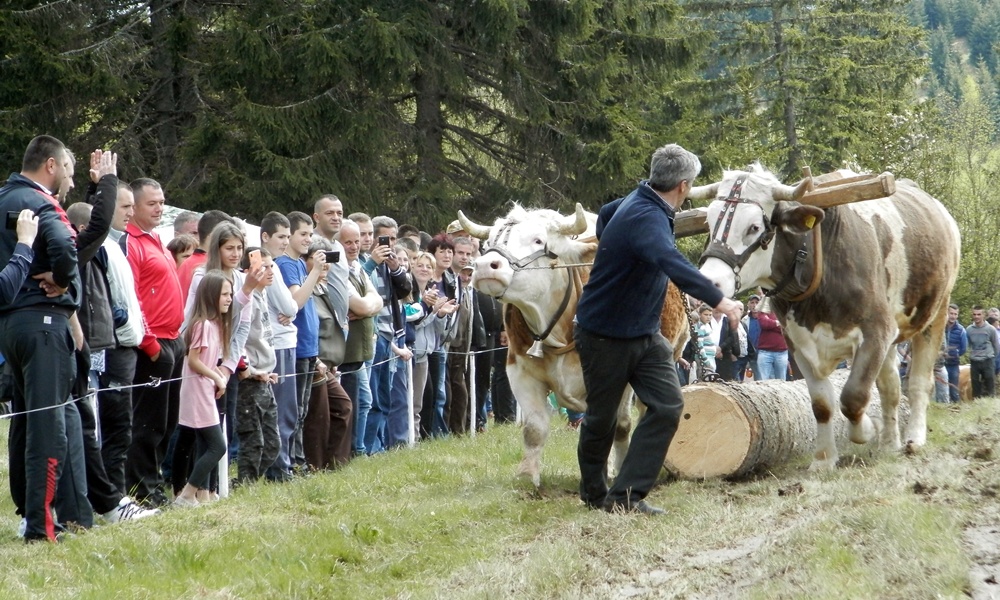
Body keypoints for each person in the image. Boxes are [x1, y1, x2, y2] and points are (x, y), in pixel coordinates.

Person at [573, 143, 739, 515]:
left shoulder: (637, 202)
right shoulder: (646, 217)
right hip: (603, 334)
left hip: (645, 334)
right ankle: (594, 493)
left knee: (667, 405)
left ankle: (627, 496)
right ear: (683, 186)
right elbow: (670, 260)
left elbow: (605, 213)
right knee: (602, 418)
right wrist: (720, 300)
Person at [0, 135, 82, 542]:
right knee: (48, 424)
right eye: (67, 168)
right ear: (50, 165)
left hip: (10, 327)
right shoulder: (39, 201)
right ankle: (41, 525)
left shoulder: (2, 197)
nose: (68, 177)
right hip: (43, 322)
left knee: (24, 422)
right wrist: (63, 280)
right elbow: (68, 246)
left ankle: (27, 514)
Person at [123, 177, 186, 507]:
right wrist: (151, 345)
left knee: (167, 420)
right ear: (134, 207)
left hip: (173, 340)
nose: (160, 208)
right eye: (152, 203)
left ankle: (153, 482)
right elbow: (131, 298)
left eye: (162, 201)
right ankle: (141, 489)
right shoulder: (131, 243)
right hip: (153, 344)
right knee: (148, 423)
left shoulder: (158, 240)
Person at [173, 270, 247, 507]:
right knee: (218, 446)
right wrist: (217, 376)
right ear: (211, 295)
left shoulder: (214, 325)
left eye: (230, 293)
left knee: (206, 444)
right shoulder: (203, 325)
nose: (228, 298)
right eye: (225, 294)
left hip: (205, 389)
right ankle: (186, 494)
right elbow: (193, 361)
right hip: (198, 391)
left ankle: (194, 494)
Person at [235, 248, 281, 482]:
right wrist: (250, 370)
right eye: (264, 267)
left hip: (265, 376)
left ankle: (248, 481)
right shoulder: (246, 299)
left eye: (272, 266)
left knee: (272, 444)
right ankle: (244, 484)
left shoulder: (263, 296)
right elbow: (238, 337)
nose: (270, 271)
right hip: (250, 379)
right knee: (254, 441)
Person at [966, 305, 998, 398]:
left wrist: (992, 357)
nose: (976, 316)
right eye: (974, 314)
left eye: (979, 314)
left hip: (988, 360)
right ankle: (976, 405)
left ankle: (991, 405)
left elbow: (996, 345)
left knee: (990, 385)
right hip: (975, 361)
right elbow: (968, 345)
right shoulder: (969, 329)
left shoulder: (991, 329)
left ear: (983, 315)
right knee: (975, 386)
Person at [754, 301, 789, 381]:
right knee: (763, 381)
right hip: (764, 352)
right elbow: (764, 324)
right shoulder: (763, 311)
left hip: (782, 352)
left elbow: (787, 327)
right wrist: (778, 323)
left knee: (781, 381)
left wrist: (772, 324)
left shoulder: (785, 311)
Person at [944, 303, 968, 403]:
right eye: (951, 313)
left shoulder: (961, 330)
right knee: (942, 390)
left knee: (954, 390)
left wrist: (955, 354)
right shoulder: (940, 327)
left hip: (953, 364)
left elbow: (964, 348)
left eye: (955, 314)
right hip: (940, 364)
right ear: (947, 313)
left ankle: (956, 411)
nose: (953, 316)